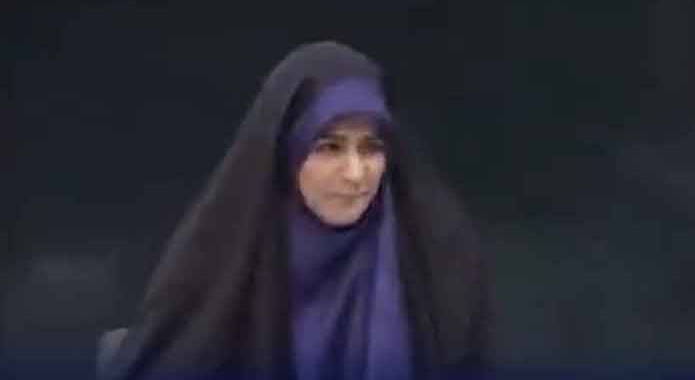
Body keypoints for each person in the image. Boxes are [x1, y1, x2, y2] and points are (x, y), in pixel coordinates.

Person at [100, 41, 490, 380]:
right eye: (329, 147)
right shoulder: (221, 274)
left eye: (372, 148)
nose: (356, 174)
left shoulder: (440, 266)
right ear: (285, 153)